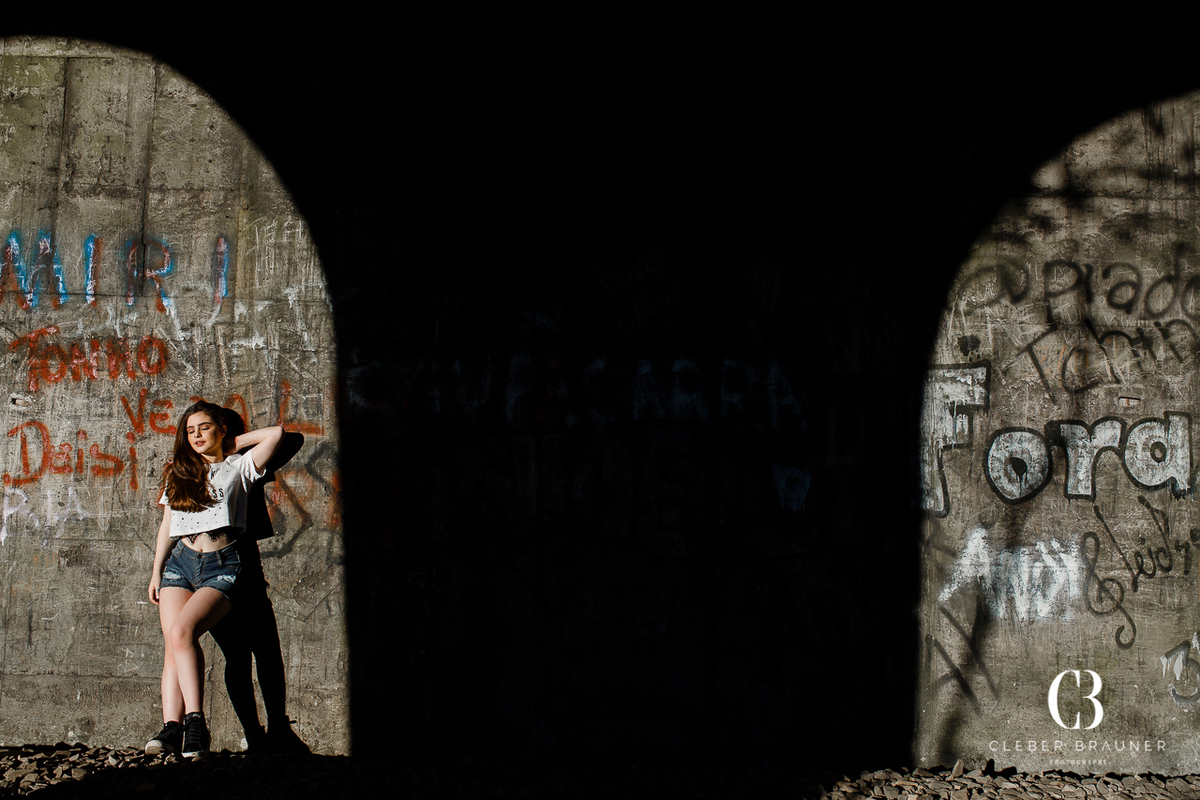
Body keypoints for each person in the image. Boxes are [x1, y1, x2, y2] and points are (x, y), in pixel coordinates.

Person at [144, 400, 282, 758]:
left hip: (223, 565)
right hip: (180, 563)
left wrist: (231, 444)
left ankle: (196, 724)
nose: (196, 436)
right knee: (173, 645)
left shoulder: (240, 466)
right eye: (190, 431)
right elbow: (168, 525)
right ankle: (172, 728)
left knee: (182, 632)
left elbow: (277, 434)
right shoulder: (179, 472)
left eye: (204, 428)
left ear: (221, 430)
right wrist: (156, 571)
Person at [208, 410, 309, 753]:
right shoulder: (198, 468)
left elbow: (291, 440)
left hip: (243, 559)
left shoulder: (243, 463)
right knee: (239, 654)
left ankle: (276, 728)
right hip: (212, 566)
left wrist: (231, 445)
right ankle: (256, 735)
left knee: (265, 648)